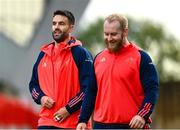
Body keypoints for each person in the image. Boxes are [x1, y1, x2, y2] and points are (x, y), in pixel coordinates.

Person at [76, 14, 159, 129]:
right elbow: (91, 91)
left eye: (114, 34)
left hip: (131, 125)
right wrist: (83, 120)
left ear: (125, 32)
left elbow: (152, 90)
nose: (109, 38)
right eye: (106, 34)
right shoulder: (98, 58)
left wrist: (142, 116)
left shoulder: (141, 57)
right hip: (100, 126)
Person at [29, 10, 93, 129]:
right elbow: (33, 84)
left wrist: (68, 109)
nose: (56, 27)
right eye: (54, 23)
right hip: (46, 122)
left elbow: (89, 88)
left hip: (73, 124)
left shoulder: (81, 53)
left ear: (70, 28)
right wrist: (41, 97)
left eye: (61, 24)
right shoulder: (43, 54)